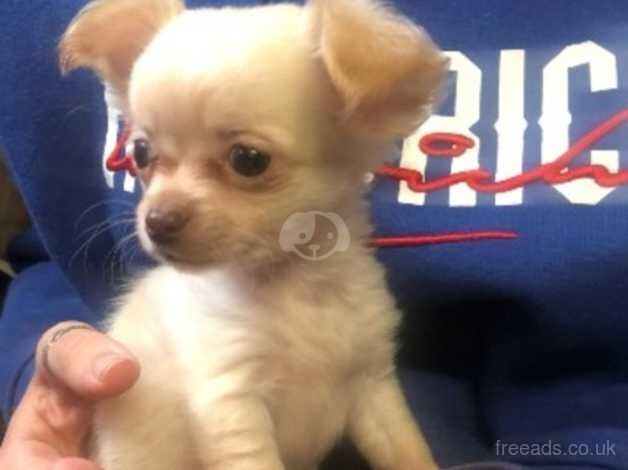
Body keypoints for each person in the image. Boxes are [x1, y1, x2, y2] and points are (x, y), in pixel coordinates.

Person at [1, 0, 628, 469]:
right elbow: (235, 433)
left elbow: (370, 388)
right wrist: (36, 361)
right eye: (146, 154)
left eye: (247, 161)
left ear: (364, 119)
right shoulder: (207, 305)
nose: (162, 209)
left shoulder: (354, 282)